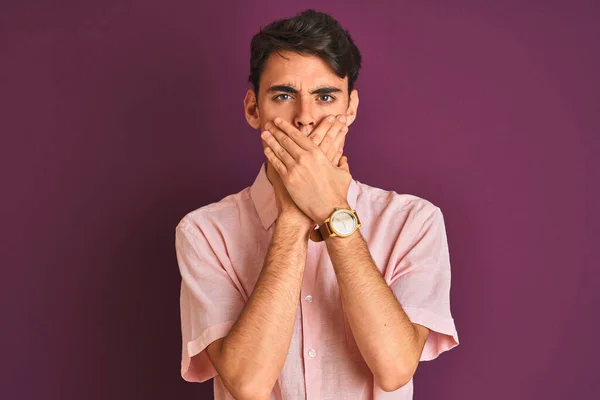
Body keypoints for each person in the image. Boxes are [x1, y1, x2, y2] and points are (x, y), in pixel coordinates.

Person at [175, 9, 459, 400]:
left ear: (351, 108)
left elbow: (394, 369)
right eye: (283, 95)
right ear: (253, 109)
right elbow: (248, 384)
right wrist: (293, 216)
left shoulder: (414, 221)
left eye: (324, 96)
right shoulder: (204, 231)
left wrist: (331, 211)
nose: (305, 118)